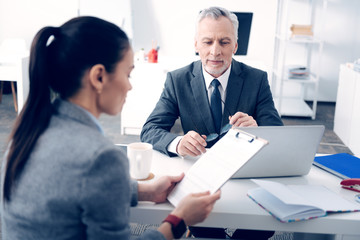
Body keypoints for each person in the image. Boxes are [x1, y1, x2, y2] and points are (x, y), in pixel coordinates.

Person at [0, 16, 221, 240]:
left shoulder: (29, 130)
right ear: (98, 77)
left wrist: (143, 191)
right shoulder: (100, 156)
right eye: (127, 74)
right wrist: (180, 219)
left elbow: (71, 189)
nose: (130, 85)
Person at [141, 6, 282, 239]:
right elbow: (150, 130)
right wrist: (177, 143)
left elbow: (278, 135)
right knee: (205, 228)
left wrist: (258, 128)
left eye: (224, 42)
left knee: (261, 226)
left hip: (245, 176)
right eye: (207, 42)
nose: (215, 51)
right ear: (196, 44)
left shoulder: (257, 79)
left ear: (235, 46)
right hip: (200, 177)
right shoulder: (177, 80)